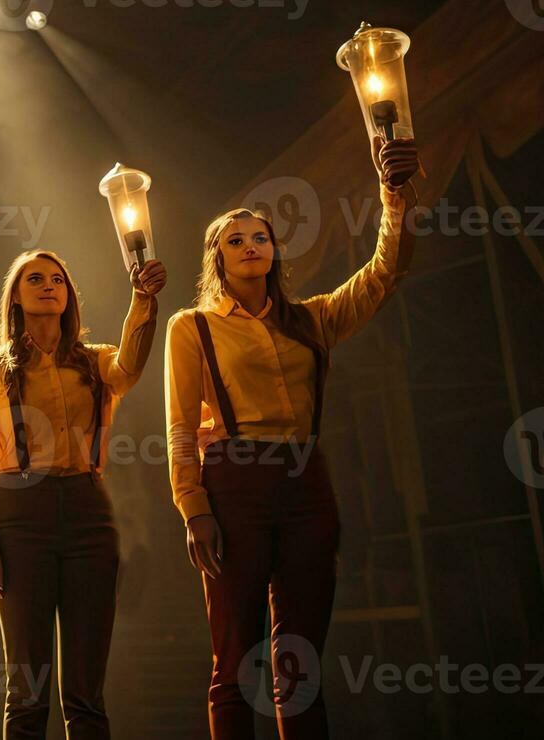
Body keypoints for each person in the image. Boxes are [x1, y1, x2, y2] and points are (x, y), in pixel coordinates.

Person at [167, 137, 418, 739]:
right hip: (233, 483)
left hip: (307, 481)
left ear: (275, 251)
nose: (251, 245)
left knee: (299, 659)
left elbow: (387, 272)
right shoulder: (192, 328)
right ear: (217, 260)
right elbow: (178, 428)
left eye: (260, 237)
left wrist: (395, 195)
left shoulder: (312, 318)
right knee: (234, 659)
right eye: (235, 239)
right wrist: (192, 507)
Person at [0, 250, 166, 738]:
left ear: (70, 295)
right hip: (17, 513)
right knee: (27, 688)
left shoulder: (95, 362)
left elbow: (131, 366)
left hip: (88, 511)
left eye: (58, 278)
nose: (49, 285)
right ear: (14, 295)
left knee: (86, 693)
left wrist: (142, 301)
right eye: (35, 278)